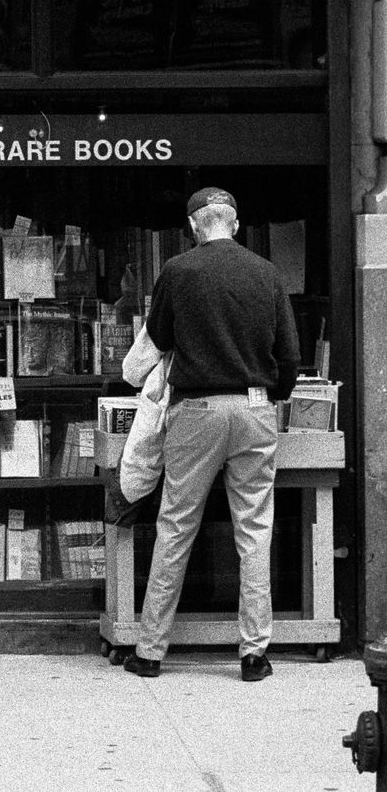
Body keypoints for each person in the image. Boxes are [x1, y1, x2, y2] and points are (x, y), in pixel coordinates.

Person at [124, 187, 301, 683]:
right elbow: (288, 354)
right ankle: (253, 654)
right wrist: (274, 395)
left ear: (194, 226)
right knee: (254, 530)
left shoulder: (177, 271)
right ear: (236, 224)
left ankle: (151, 651)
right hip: (254, 407)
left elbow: (156, 343)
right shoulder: (266, 273)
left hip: (196, 410)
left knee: (176, 526)